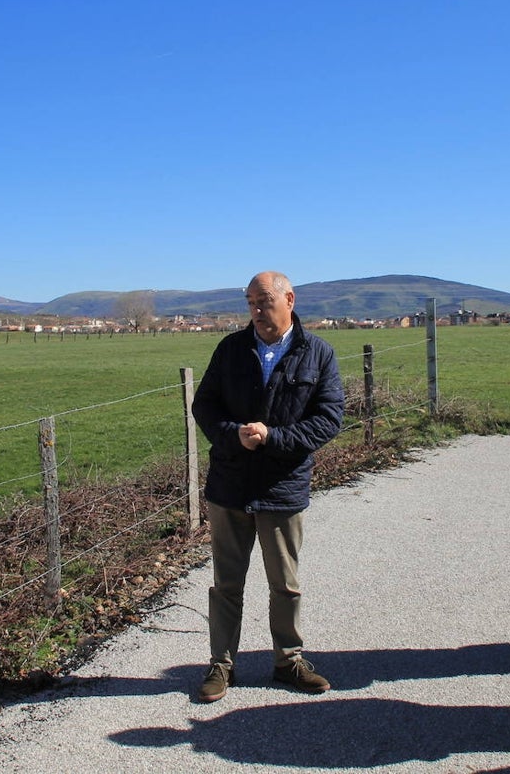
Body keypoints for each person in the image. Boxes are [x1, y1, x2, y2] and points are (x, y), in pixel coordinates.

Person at [191, 271, 345, 703]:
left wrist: (274, 438)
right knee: (226, 585)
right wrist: (232, 433)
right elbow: (204, 404)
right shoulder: (231, 349)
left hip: (282, 488)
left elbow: (329, 418)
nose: (257, 311)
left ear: (289, 299)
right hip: (230, 486)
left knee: (285, 584)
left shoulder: (318, 354)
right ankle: (221, 666)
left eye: (264, 301)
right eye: (250, 303)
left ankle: (288, 661)